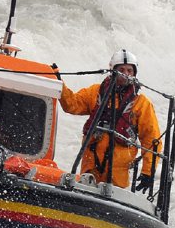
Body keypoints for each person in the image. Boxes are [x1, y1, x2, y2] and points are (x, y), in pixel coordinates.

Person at [59, 48, 161, 190]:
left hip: (118, 173)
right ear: (113, 70)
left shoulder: (142, 103)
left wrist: (148, 172)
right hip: (90, 167)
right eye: (122, 69)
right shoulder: (95, 92)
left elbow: (151, 139)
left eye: (129, 70)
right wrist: (59, 83)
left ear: (135, 73)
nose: (125, 74)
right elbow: (72, 104)